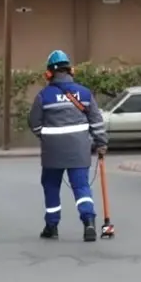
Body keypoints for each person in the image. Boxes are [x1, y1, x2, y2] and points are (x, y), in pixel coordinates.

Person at [27, 49, 108, 242]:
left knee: (51, 185)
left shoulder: (43, 96)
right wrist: (101, 143)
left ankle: (52, 226)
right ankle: (89, 222)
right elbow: (96, 121)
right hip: (79, 149)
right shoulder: (85, 93)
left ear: (49, 73)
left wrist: (45, 136)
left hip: (52, 151)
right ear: (71, 70)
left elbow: (34, 122)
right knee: (81, 186)